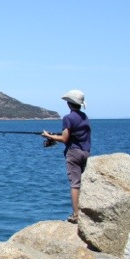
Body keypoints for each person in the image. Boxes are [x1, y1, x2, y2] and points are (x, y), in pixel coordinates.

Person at [42, 90, 91, 224]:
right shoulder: (84, 116)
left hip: (74, 153)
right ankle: (84, 211)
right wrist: (55, 136)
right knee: (82, 183)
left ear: (69, 103)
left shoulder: (68, 118)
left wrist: (48, 136)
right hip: (86, 152)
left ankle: (76, 215)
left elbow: (64, 138)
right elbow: (75, 135)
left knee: (75, 184)